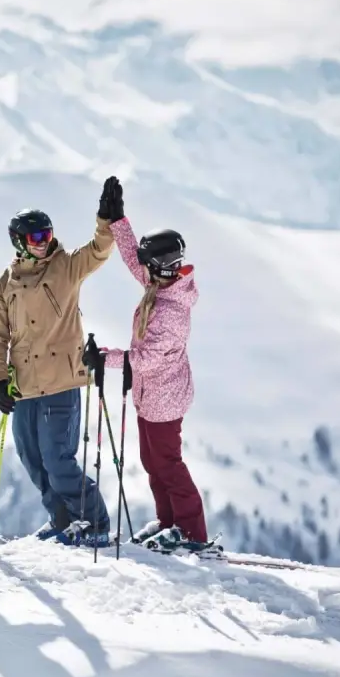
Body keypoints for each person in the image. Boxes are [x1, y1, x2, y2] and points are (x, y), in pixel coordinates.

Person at [0, 178, 121, 543]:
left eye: (47, 235)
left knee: (59, 460)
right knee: (32, 459)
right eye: (36, 238)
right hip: (25, 386)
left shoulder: (65, 268)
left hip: (61, 382)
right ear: (19, 242)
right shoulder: (3, 285)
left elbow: (98, 251)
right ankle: (61, 517)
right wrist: (0, 380)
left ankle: (95, 522)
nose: (44, 243)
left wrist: (106, 220)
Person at [94, 213, 210, 552]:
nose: (142, 268)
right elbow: (134, 261)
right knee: (152, 463)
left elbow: (145, 359)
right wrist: (118, 221)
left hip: (165, 398)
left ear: (160, 266)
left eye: (149, 262)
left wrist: (104, 358)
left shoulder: (171, 310)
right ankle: (169, 522)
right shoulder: (162, 284)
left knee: (168, 465)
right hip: (151, 395)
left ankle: (191, 531)